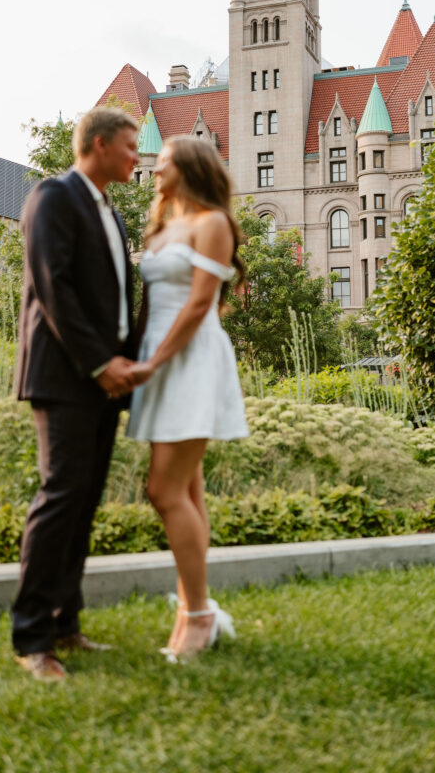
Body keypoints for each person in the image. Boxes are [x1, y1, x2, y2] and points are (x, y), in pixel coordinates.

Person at [12, 107, 140, 682]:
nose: (137, 158)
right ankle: (32, 638)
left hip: (107, 381)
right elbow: (52, 283)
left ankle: (66, 623)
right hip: (64, 376)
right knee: (60, 495)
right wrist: (97, 363)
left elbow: (112, 301)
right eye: (131, 146)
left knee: (84, 500)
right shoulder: (54, 195)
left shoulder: (110, 212)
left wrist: (126, 367)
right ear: (99, 143)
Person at [127, 135, 249, 662]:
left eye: (162, 165)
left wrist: (154, 362)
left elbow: (202, 303)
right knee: (188, 490)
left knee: (163, 488)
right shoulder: (161, 226)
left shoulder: (212, 223)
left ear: (190, 168)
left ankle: (198, 614)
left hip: (191, 357)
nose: (153, 172)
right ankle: (193, 610)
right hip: (157, 355)